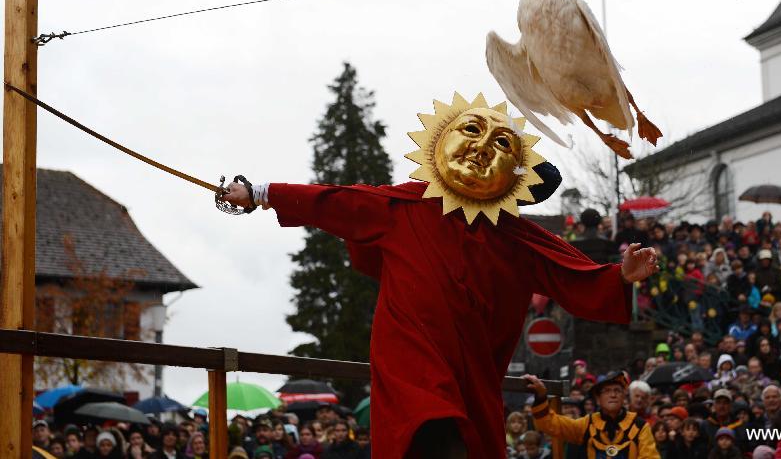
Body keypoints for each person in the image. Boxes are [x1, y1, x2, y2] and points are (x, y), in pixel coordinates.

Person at [220, 94, 660, 459]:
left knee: (460, 438)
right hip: (411, 355)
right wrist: (259, 192)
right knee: (433, 427)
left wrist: (619, 276)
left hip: (469, 364)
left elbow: (568, 272)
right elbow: (335, 201)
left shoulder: (515, 238)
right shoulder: (411, 206)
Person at [524, 371, 659, 459]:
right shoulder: (586, 424)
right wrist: (541, 397)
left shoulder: (640, 426)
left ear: (624, 397)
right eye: (607, 391)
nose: (613, 395)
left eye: (617, 391)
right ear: (598, 399)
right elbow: (550, 424)